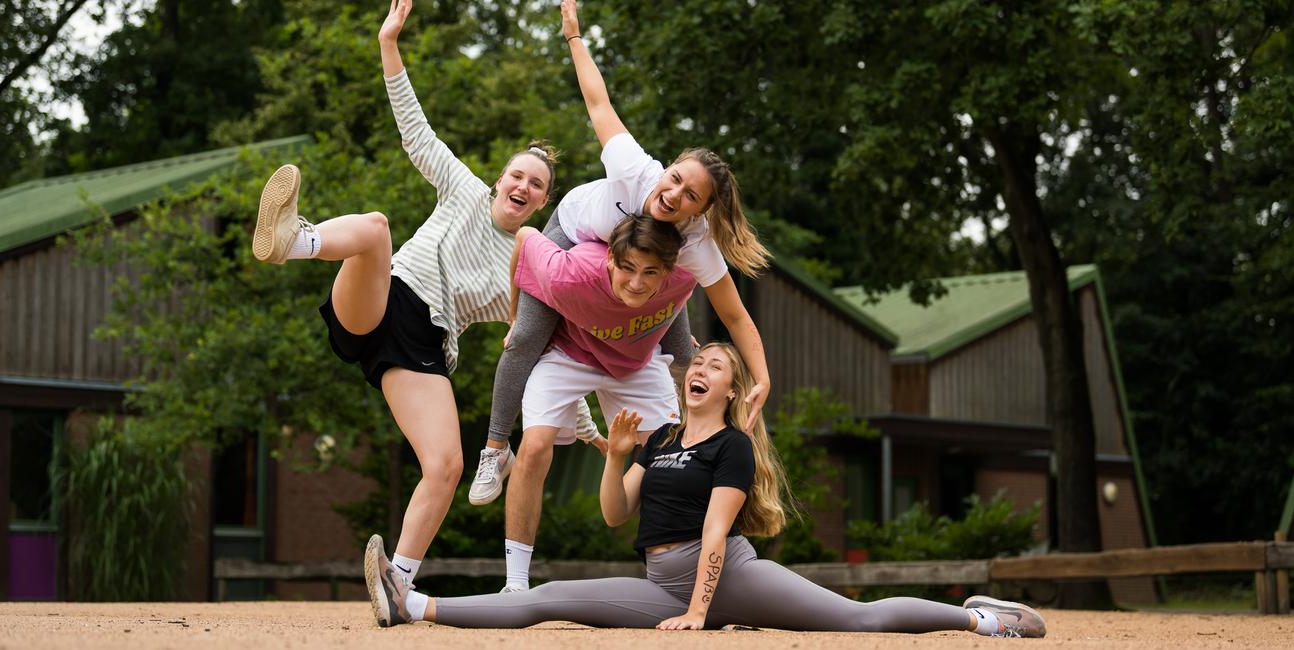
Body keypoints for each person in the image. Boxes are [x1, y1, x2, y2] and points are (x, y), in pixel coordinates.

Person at [251, 0, 596, 592]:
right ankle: (294, 241)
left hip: (421, 349)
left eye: (536, 186)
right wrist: (389, 43)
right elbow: (415, 130)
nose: (524, 185)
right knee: (376, 228)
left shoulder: (525, 269)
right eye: (518, 175)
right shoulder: (462, 188)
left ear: (542, 204)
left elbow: (540, 346)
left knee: (447, 465)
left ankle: (398, 584)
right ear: (500, 180)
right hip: (380, 301)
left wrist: (586, 425)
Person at [364, 342, 1048, 638]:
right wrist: (616, 459)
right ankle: (411, 602)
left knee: (857, 619)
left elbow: (717, 531)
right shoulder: (661, 438)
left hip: (729, 578)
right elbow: (615, 517)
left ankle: (987, 622)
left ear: (731, 390)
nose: (699, 368)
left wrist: (700, 612)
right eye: (698, 361)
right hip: (662, 583)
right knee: (548, 598)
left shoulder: (731, 446)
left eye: (715, 366)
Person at [468, 0, 774, 508]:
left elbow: (736, 315)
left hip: (642, 266)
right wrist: (573, 36)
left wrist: (761, 377)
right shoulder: (635, 170)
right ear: (666, 168)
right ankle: (495, 448)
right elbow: (598, 102)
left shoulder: (697, 242)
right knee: (525, 338)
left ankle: (697, 456)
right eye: (675, 179)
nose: (673, 195)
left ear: (701, 210)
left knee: (684, 352)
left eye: (690, 196)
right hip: (575, 236)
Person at [495, 212, 696, 592]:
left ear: (667, 272)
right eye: (628, 269)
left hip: (637, 361)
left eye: (650, 273)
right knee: (534, 446)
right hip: (569, 354)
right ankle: (515, 583)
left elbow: (702, 311)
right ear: (610, 260)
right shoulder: (569, 272)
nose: (636, 283)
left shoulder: (686, 275)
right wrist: (515, 318)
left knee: (673, 456)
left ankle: (681, 573)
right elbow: (525, 237)